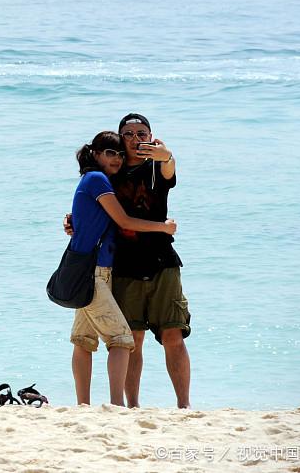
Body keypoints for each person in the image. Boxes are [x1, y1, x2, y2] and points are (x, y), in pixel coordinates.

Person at [66, 131, 176, 407]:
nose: (116, 158)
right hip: (94, 272)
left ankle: (82, 406)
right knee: (122, 338)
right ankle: (116, 406)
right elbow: (124, 221)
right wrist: (163, 228)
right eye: (109, 152)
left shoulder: (96, 181)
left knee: (84, 339)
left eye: (119, 153)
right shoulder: (97, 179)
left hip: (86, 267)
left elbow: (91, 219)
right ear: (95, 154)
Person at [111, 113, 191, 408]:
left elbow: (170, 168)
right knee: (132, 339)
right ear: (120, 139)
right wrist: (73, 221)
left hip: (162, 262)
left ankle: (184, 405)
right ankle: (133, 406)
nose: (135, 139)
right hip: (124, 264)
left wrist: (167, 154)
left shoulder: (157, 167)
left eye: (141, 133)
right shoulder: (111, 171)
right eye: (129, 134)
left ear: (151, 137)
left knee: (173, 335)